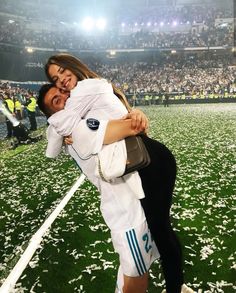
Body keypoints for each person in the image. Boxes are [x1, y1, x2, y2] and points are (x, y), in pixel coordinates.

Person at [38, 54, 195, 293]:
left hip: (149, 163)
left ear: (73, 66)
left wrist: (66, 127)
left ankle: (176, 287)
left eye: (62, 72)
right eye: (55, 79)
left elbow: (133, 126)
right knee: (161, 230)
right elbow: (59, 133)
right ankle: (177, 286)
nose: (61, 82)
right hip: (150, 161)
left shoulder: (83, 93)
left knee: (160, 231)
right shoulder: (85, 103)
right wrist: (64, 129)